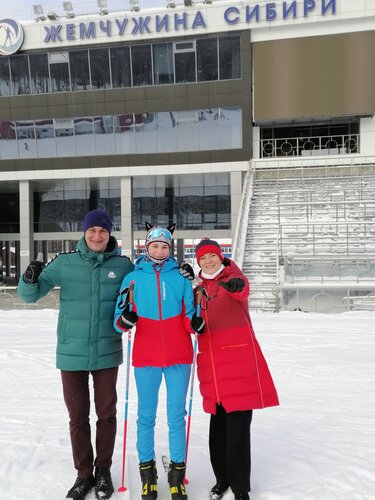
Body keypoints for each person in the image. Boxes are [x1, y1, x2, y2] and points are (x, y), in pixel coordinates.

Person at [17, 209, 134, 500]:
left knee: (106, 414)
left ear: (110, 235)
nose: (97, 236)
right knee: (78, 417)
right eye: (92, 231)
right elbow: (30, 296)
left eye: (103, 232)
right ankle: (84, 474)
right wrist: (29, 278)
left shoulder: (122, 266)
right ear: (84, 233)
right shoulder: (65, 263)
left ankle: (103, 471)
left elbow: (145, 290)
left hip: (107, 350)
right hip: (71, 351)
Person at [190, 238, 279, 500]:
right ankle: (222, 480)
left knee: (238, 432)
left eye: (212, 256)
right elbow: (192, 319)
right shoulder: (198, 289)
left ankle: (240, 488)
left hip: (237, 367)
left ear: (221, 257)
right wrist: (194, 325)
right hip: (212, 368)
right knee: (217, 431)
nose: (208, 261)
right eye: (203, 258)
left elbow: (241, 290)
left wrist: (236, 286)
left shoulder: (234, 278)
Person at [113, 222, 195, 500]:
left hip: (179, 355)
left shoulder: (181, 277)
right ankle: (147, 473)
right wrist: (124, 321)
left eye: (164, 246)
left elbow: (190, 313)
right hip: (146, 356)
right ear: (145, 247)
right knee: (145, 416)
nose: (159, 251)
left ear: (170, 249)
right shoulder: (133, 279)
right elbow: (119, 316)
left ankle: (177, 475)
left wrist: (194, 322)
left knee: (176, 416)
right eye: (154, 246)